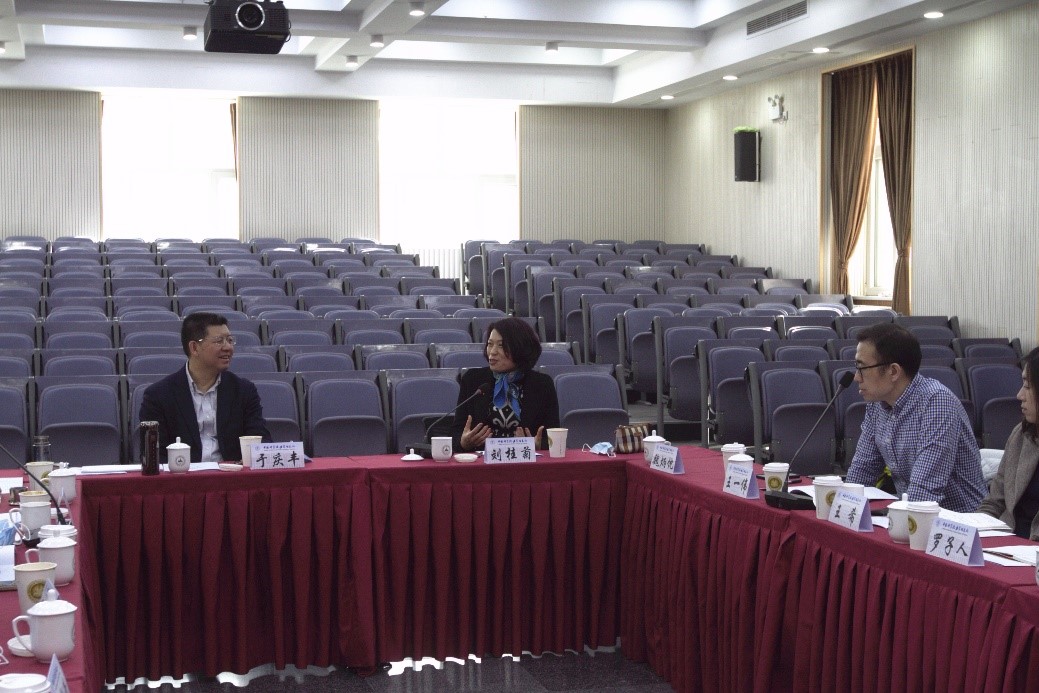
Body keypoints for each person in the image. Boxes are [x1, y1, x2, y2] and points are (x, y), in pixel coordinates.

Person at [844, 323, 985, 512]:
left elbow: (924, 491)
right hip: (912, 514)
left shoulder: (936, 403)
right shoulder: (877, 405)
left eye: (862, 368)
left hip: (960, 521)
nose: (856, 377)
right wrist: (845, 508)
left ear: (894, 371)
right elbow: (862, 470)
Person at [139, 312, 270, 462]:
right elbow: (154, 456)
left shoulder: (243, 391)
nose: (228, 347)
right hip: (183, 474)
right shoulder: (159, 395)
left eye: (229, 340)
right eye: (219, 341)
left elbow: (261, 442)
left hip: (231, 473)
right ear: (194, 348)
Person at [451, 317, 560, 452]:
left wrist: (538, 447)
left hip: (527, 462)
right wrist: (463, 443)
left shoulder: (542, 384)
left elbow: (555, 438)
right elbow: (455, 434)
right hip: (482, 462)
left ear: (520, 348)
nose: (492, 352)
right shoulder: (473, 380)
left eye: (501, 345)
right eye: (490, 344)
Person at [978, 347, 1039, 539]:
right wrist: (974, 532)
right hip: (1007, 542)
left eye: (1027, 386)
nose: (1020, 395)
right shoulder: (1021, 435)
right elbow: (994, 502)